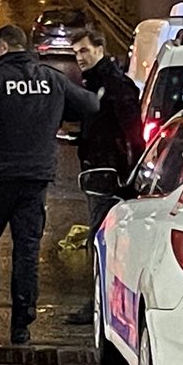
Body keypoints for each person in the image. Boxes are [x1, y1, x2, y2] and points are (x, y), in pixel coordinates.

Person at [0, 24, 98, 344]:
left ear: (3, 48)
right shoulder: (52, 80)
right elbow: (90, 105)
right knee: (26, 250)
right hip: (35, 181)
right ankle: (21, 323)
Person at [65, 28, 144, 325]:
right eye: (76, 53)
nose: (80, 58)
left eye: (84, 51)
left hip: (109, 177)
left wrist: (132, 172)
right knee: (103, 239)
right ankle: (104, 300)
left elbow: (132, 133)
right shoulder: (93, 83)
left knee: (100, 240)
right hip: (98, 172)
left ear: (100, 48)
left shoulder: (114, 85)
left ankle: (99, 303)